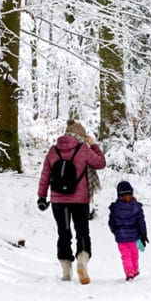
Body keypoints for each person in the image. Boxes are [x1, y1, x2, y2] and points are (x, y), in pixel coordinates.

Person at [37, 119, 106, 284]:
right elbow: (100, 163)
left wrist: (41, 197)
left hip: (58, 201)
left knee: (64, 233)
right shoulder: (83, 149)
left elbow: (45, 175)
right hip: (80, 200)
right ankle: (82, 260)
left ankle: (66, 269)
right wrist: (94, 145)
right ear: (81, 134)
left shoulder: (53, 151)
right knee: (82, 231)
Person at [108, 181, 149, 281]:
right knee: (134, 254)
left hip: (121, 237)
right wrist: (143, 233)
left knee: (125, 256)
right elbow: (141, 222)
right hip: (134, 237)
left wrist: (116, 231)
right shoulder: (136, 207)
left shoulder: (115, 207)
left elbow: (111, 223)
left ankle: (129, 272)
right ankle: (134, 270)